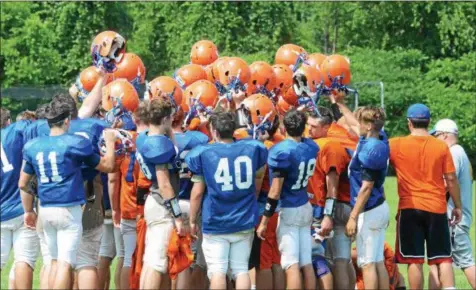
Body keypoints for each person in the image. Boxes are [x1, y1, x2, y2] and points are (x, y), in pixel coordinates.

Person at [19, 102, 117, 289]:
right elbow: (108, 166)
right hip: (68, 209)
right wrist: (110, 143)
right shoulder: (75, 142)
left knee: (53, 262)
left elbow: (22, 183)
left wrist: (41, 192)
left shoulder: (34, 145)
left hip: (46, 208)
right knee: (67, 263)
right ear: (67, 121)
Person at [186, 111, 268, 290]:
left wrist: (192, 220)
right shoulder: (251, 149)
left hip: (216, 220)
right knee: (240, 270)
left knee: (217, 271)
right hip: (244, 219)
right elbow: (258, 180)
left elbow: (197, 193)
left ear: (214, 131)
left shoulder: (205, 153)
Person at [389, 104, 463, 289]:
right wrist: (458, 205)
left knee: (414, 260)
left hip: (409, 208)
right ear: (429, 122)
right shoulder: (441, 146)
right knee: (443, 258)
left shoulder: (396, 144)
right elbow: (451, 179)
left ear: (409, 123)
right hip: (436, 208)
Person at [257, 109, 319, 290]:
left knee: (290, 264)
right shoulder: (311, 147)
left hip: (289, 209)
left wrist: (264, 221)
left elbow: (275, 191)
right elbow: (304, 139)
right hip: (304, 205)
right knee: (306, 262)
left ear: (284, 128)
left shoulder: (281, 151)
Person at [135, 98, 187, 289]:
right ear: (165, 118)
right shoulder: (159, 145)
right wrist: (178, 216)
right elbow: (165, 184)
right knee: (155, 263)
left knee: (156, 260)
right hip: (161, 202)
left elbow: (173, 149)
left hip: (154, 199)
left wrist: (169, 129)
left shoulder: (145, 137)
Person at [343, 105, 390, 290]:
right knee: (378, 261)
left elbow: (366, 187)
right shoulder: (380, 138)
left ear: (369, 125)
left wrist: (353, 216)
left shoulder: (371, 149)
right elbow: (353, 123)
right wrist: (338, 103)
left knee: (367, 263)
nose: (358, 125)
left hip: (368, 209)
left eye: (362, 122)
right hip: (379, 206)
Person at [307, 107, 352, 290]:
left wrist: (327, 215)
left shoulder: (330, 145)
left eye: (314, 126)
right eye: (308, 125)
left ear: (326, 127)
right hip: (343, 205)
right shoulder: (329, 142)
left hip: (332, 207)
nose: (309, 130)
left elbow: (331, 184)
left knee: (320, 259)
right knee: (342, 260)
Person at [429, 119, 475, 289]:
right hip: (455, 218)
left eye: (436, 135)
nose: (434, 139)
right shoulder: (460, 152)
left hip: (453, 220)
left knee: (465, 261)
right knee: (437, 261)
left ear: (445, 135)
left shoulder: (454, 153)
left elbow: (447, 181)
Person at [1, 108, 39, 290]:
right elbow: (35, 123)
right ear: (7, 120)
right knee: (24, 260)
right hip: (21, 209)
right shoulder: (17, 130)